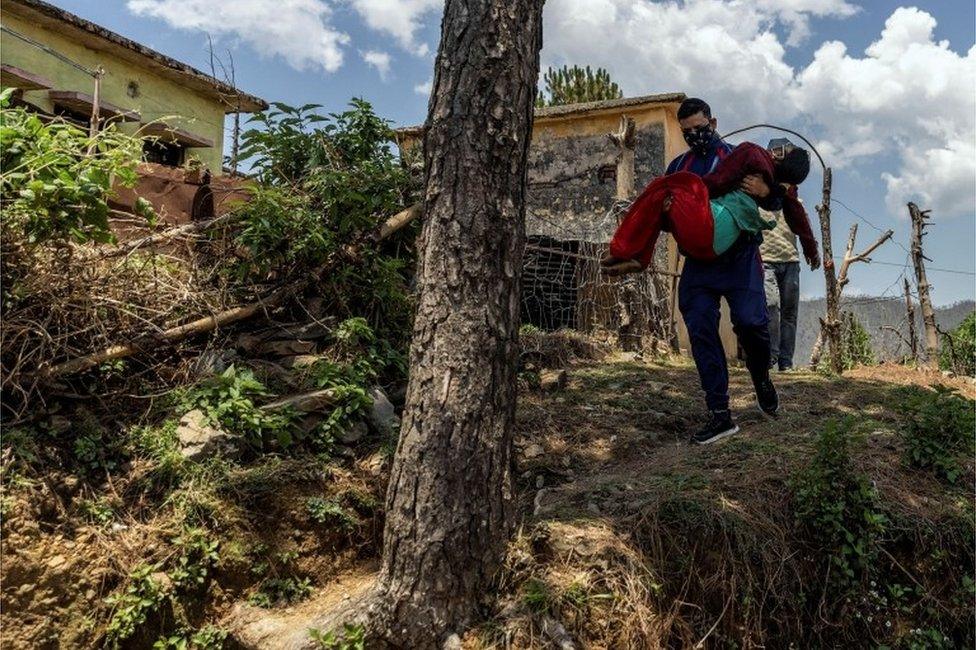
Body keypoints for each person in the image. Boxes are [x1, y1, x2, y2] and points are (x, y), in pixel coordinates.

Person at [605, 98, 811, 444]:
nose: (695, 136)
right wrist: (670, 214)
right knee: (700, 328)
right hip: (699, 262)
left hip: (741, 258)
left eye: (700, 129)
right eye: (688, 132)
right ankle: (719, 414)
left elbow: (778, 198)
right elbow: (670, 223)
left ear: (712, 124)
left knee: (751, 324)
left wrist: (765, 191)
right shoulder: (678, 167)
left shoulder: (736, 155)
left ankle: (761, 377)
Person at [600, 142, 815, 269]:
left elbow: (718, 181)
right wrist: (811, 250)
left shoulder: (754, 153)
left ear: (781, 156)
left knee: (666, 185)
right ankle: (638, 256)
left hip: (709, 228)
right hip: (717, 246)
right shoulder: (783, 188)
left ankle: (626, 250)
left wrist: (693, 194)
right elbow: (797, 216)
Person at [761, 138, 819, 371]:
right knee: (771, 307)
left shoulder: (795, 201)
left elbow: (803, 227)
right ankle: (771, 356)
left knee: (789, 314)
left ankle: (786, 362)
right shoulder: (760, 195)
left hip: (791, 261)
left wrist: (811, 251)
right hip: (765, 260)